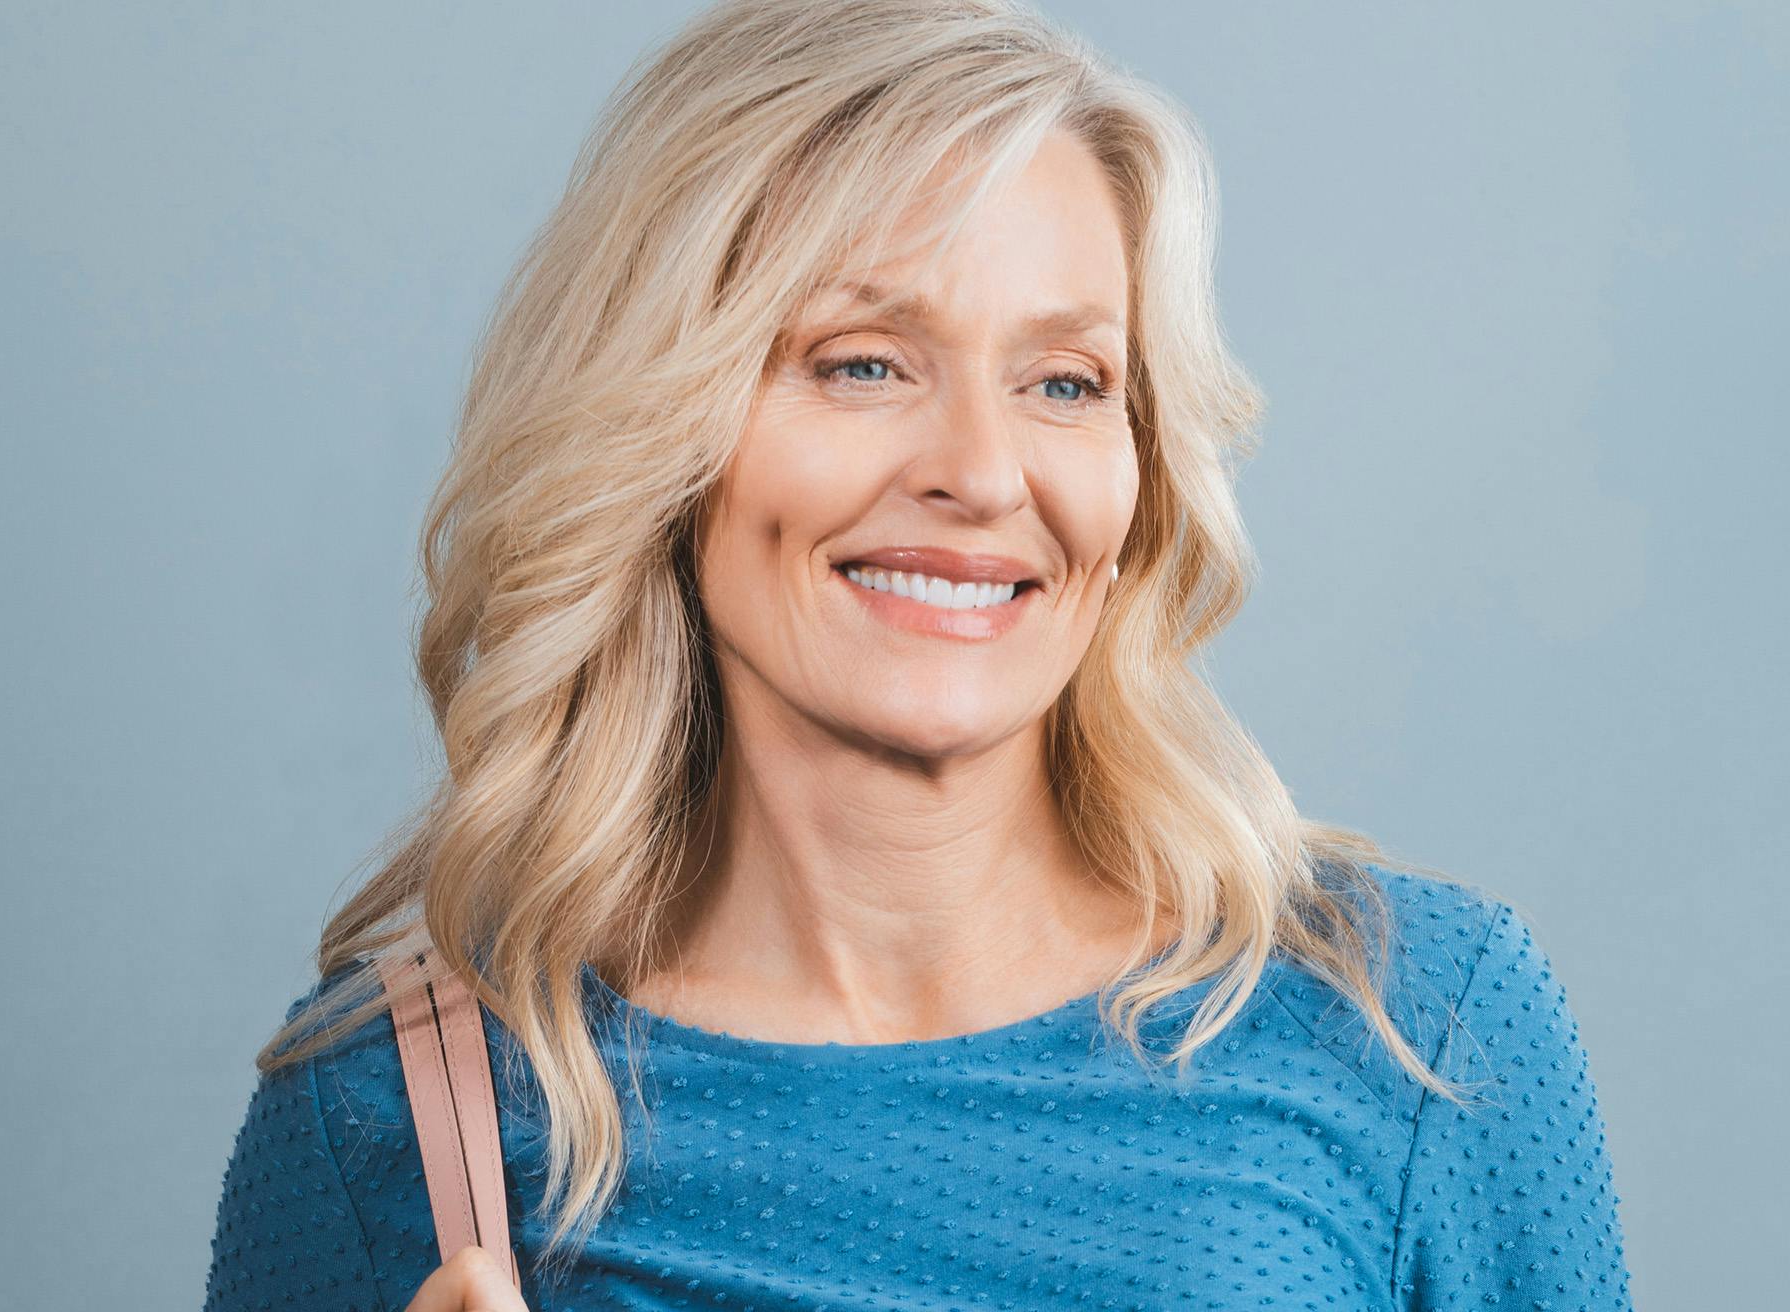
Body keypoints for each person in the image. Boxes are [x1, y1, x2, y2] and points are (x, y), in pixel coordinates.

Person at [201, 2, 1636, 1309]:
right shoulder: (394, 1107)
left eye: (1065, 383)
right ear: (660, 431)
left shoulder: (1413, 1027)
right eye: (862, 363)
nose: (982, 471)